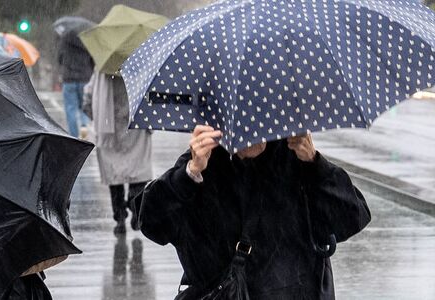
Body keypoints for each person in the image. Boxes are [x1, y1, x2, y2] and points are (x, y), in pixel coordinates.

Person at [136, 125, 371, 299]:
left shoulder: (295, 159)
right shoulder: (204, 163)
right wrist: (189, 173)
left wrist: (314, 163)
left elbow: (351, 218)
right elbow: (152, 224)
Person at [84, 71, 153, 234]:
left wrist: (97, 116)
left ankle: (120, 217)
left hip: (109, 128)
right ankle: (136, 205)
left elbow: (88, 99)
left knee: (114, 176)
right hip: (136, 126)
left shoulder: (102, 70)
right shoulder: (142, 67)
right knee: (137, 172)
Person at [57, 29, 94, 138]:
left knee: (70, 108)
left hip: (69, 79)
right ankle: (84, 126)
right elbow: (92, 61)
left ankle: (73, 135)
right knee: (84, 105)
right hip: (84, 78)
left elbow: (59, 59)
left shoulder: (64, 41)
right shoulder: (87, 41)